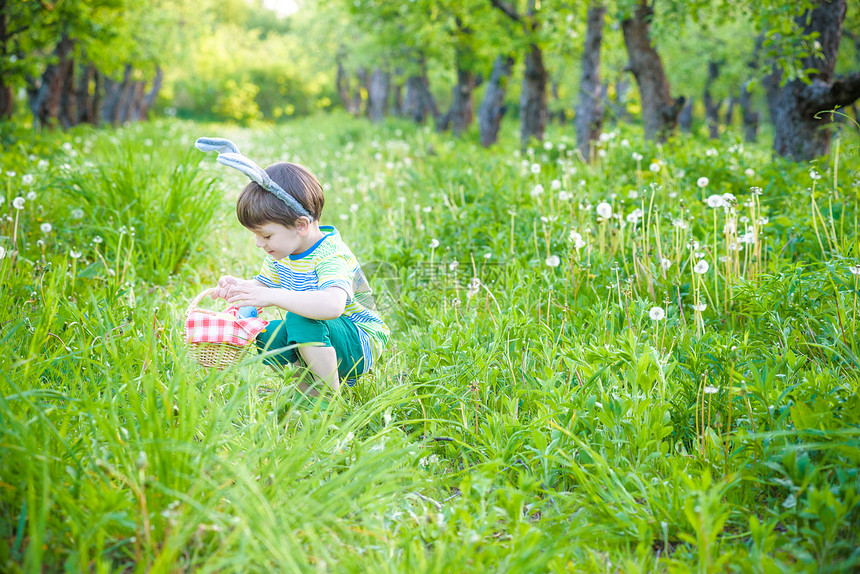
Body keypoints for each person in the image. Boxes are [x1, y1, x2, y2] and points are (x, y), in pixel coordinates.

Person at [198, 139, 388, 396]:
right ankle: (306, 393)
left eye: (265, 236)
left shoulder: (330, 256)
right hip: (328, 335)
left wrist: (273, 296)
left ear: (300, 225)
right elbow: (264, 285)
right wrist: (242, 288)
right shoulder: (283, 254)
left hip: (359, 343)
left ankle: (327, 402)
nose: (258, 243)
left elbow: (332, 306)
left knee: (299, 317)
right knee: (263, 334)